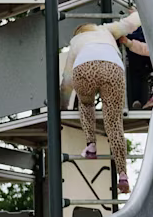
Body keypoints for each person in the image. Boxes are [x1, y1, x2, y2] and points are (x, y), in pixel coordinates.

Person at [60, 11, 141, 193]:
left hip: (84, 67)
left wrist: (63, 105)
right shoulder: (107, 30)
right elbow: (131, 23)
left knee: (86, 105)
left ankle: (91, 145)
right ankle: (122, 174)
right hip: (112, 67)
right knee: (113, 122)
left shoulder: (76, 42)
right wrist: (136, 11)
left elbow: (67, 79)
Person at [120, 26, 153, 108]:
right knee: (150, 74)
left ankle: (139, 100)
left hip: (137, 48)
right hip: (140, 49)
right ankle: (150, 99)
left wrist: (129, 43)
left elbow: (148, 49)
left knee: (139, 75)